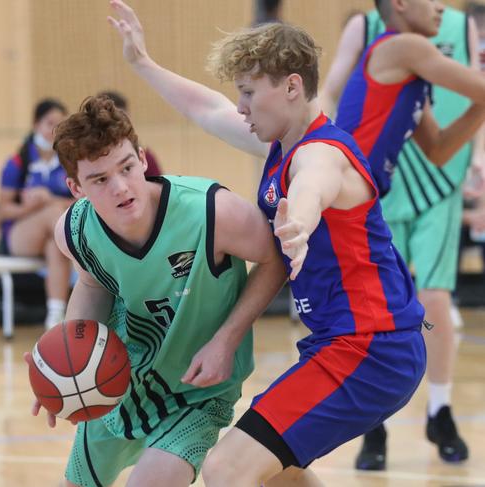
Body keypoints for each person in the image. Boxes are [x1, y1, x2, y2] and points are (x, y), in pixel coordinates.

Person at [108, 1, 427, 485]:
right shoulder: (283, 142)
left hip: (370, 348)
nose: (240, 106)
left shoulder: (321, 153)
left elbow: (312, 186)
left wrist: (297, 222)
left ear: (292, 87)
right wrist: (142, 64)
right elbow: (206, 108)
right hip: (348, 344)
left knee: (226, 469)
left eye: (250, 93)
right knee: (278, 470)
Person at [26, 95, 283, 487]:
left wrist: (225, 340)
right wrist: (63, 367)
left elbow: (274, 259)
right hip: (117, 386)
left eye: (127, 168)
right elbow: (93, 283)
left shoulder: (212, 212)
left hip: (196, 394)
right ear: (76, 187)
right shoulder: (75, 231)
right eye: (100, 179)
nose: (121, 187)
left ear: (143, 159)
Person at [325, 0, 485, 468]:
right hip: (346, 211)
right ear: (398, 4)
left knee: (396, 319)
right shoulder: (404, 47)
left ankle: (420, 413)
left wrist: (478, 107)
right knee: (365, 329)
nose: (440, 6)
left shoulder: (411, 72)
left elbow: (437, 149)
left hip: (363, 210)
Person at [0, 98, 75, 328]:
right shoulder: (18, 161)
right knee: (56, 217)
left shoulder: (68, 161)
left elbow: (81, 199)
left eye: (60, 125)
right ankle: (86, 258)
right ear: (35, 125)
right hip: (20, 234)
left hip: (54, 234)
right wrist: (32, 206)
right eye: (49, 123)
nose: (54, 130)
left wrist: (51, 199)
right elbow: (4, 209)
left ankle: (55, 314)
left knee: (56, 242)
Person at [97, 89, 164, 176]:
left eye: (122, 120)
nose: (117, 126)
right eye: (111, 121)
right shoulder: (85, 163)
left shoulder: (146, 158)